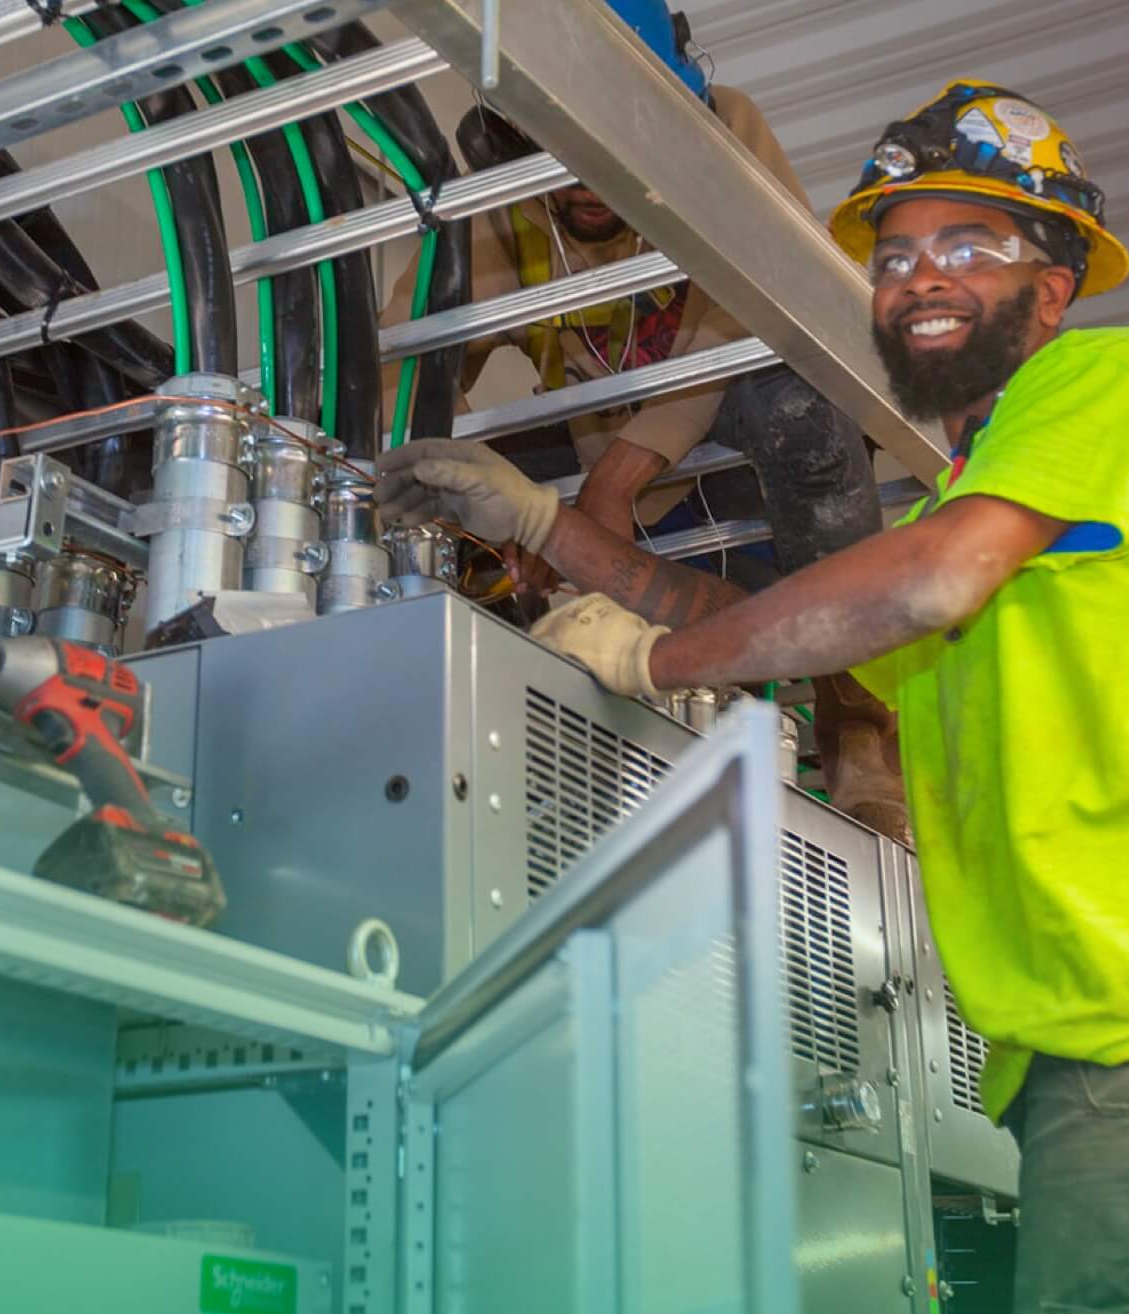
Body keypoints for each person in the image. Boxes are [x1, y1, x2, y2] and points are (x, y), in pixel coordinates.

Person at [377, 80, 1129, 1313]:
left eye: (969, 244)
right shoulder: (983, 509)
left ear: (1054, 286)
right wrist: (543, 526)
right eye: (896, 256)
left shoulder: (1105, 380)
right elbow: (796, 635)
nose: (918, 277)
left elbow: (929, 582)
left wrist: (650, 667)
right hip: (1116, 1057)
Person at [377, 13, 907, 842]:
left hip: (724, 445)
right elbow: (409, 356)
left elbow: (759, 306)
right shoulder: (505, 203)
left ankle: (856, 718)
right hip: (597, 463)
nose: (588, 182)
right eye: (562, 147)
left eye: (612, 146)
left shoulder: (724, 127)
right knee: (440, 472)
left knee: (803, 394)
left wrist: (617, 478)